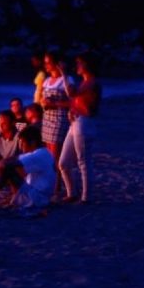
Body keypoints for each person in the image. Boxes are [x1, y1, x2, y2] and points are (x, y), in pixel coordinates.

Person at [59, 53, 102, 204]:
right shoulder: (85, 83)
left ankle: (86, 197)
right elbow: (76, 101)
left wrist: (63, 73)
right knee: (63, 162)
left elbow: (71, 93)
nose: (77, 66)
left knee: (83, 161)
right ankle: (72, 193)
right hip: (76, 123)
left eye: (79, 63)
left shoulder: (91, 82)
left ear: (86, 66)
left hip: (84, 124)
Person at [0, 125, 55, 214]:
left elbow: (4, 165)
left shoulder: (39, 155)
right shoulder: (44, 152)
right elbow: (12, 159)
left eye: (22, 143)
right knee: (11, 168)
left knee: (7, 170)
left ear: (32, 143)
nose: (21, 147)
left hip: (37, 199)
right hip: (40, 195)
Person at [40, 51, 74, 164]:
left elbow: (73, 101)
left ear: (56, 64)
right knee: (48, 153)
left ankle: (57, 181)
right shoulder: (46, 81)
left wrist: (54, 103)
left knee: (55, 155)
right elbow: (41, 99)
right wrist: (43, 102)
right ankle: (52, 179)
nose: (45, 65)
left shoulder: (67, 80)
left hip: (60, 119)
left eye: (48, 63)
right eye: (45, 63)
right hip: (47, 118)